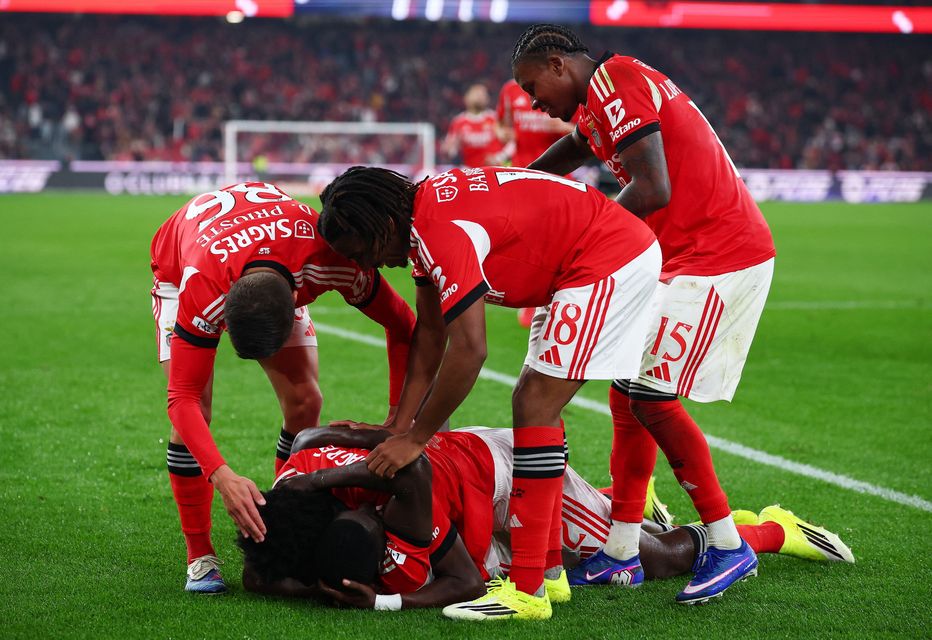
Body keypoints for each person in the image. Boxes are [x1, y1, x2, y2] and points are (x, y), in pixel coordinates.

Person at [317, 164, 662, 620]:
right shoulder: (420, 217)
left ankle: (528, 592)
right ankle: (548, 575)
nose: (366, 266)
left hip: (606, 257)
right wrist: (398, 426)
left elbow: (470, 349)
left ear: (382, 225)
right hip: (576, 264)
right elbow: (430, 332)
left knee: (534, 403)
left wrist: (417, 439)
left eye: (362, 251)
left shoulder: (438, 232)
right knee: (533, 402)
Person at [510, 24, 777, 604]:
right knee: (626, 392)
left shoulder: (616, 79)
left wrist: (582, 242)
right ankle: (621, 552)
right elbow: (577, 148)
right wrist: (521, 188)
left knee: (651, 396)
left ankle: (729, 542)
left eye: (534, 87)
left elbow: (652, 187)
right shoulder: (605, 95)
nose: (535, 103)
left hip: (721, 255)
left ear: (559, 64)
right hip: (682, 259)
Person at [238, 426, 854, 613]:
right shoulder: (294, 490)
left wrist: (380, 605)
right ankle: (620, 506)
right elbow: (321, 436)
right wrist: (284, 581)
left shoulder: (390, 506)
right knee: (602, 538)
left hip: (505, 472)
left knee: (644, 560)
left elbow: (464, 583)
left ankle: (769, 530)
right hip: (462, 512)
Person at [150, 181, 415, 593]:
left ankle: (280, 518)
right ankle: (199, 555)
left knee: (305, 400)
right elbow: (180, 399)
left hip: (273, 254)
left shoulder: (334, 260)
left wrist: (398, 417)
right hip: (180, 263)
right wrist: (222, 476)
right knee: (194, 412)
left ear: (297, 301)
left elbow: (403, 324)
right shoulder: (201, 288)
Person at [495, 78, 576, 328]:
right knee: (528, 241)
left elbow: (583, 130)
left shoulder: (564, 88)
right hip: (523, 174)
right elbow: (500, 126)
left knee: (558, 243)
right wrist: (507, 136)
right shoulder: (508, 90)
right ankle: (532, 301)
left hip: (559, 175)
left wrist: (560, 127)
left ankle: (561, 300)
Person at [442, 84, 504, 169]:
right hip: (470, 171)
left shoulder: (495, 118)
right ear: (466, 98)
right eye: (476, 93)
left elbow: (511, 143)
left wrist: (499, 157)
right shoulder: (459, 122)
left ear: (487, 99)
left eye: (483, 94)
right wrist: (449, 150)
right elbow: (451, 149)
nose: (480, 96)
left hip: (494, 169)